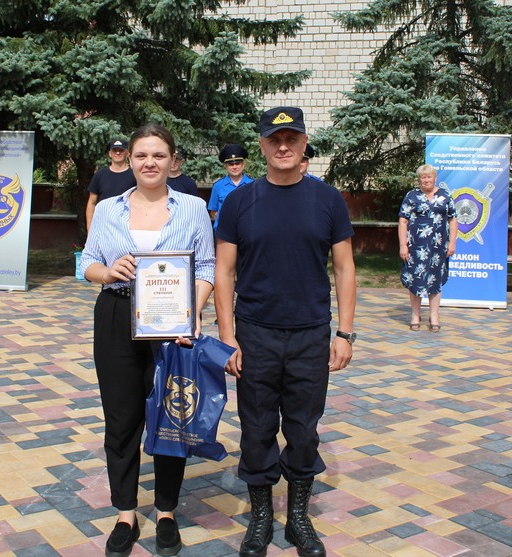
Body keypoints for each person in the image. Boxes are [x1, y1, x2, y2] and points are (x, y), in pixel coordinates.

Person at [214, 106, 356, 557]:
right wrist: (227, 336)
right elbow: (224, 271)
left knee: (303, 429)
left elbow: (345, 267)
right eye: (274, 139)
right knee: (256, 428)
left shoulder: (328, 199)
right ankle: (260, 517)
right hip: (254, 334)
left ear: (303, 143)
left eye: (291, 138)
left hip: (310, 334)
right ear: (261, 145)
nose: (283, 146)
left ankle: (297, 518)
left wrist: (345, 333)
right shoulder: (240, 202)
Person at [80, 124, 215, 557]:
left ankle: (166, 511)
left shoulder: (193, 207)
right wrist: (107, 272)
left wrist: (193, 311)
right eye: (141, 155)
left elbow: (206, 267)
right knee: (121, 420)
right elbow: (87, 261)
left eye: (158, 155)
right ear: (130, 160)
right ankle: (125, 512)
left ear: (173, 161)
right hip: (117, 316)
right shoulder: (108, 210)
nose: (149, 163)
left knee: (171, 416)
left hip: (172, 324)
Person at [398, 164, 458, 332]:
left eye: (429, 177)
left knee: (435, 281)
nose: (426, 180)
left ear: (435, 178)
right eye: (423, 177)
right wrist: (403, 245)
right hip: (415, 247)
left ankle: (434, 316)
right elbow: (403, 221)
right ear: (419, 180)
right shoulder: (411, 196)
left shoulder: (445, 196)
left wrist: (452, 243)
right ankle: (415, 315)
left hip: (438, 248)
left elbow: (453, 219)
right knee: (415, 280)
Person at [86, 139, 137, 231]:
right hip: (103, 225)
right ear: (110, 154)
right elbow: (91, 203)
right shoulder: (100, 175)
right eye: (115, 150)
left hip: (126, 227)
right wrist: (90, 228)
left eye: (121, 150)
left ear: (127, 153)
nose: (117, 153)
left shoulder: (135, 176)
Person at [207, 144, 253, 231]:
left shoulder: (253, 184)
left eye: (237, 163)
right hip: (224, 231)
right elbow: (213, 211)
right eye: (231, 164)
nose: (234, 167)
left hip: (247, 231)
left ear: (243, 165)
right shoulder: (218, 186)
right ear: (226, 167)